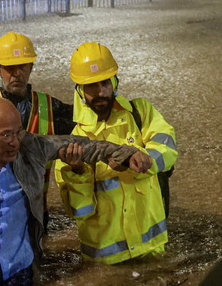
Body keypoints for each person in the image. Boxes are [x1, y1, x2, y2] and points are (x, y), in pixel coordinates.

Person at [0, 98, 151, 286]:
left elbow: (85, 145)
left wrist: (126, 153)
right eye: (6, 135)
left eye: (18, 132)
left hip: (17, 268)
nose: (15, 142)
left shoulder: (31, 147)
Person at [55, 42, 178, 264]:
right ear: (80, 90)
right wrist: (78, 170)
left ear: (115, 81)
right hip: (106, 261)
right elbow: (80, 211)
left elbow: (168, 149)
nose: (101, 92)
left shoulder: (141, 112)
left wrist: (143, 159)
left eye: (105, 82)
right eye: (91, 86)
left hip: (152, 248)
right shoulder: (73, 142)